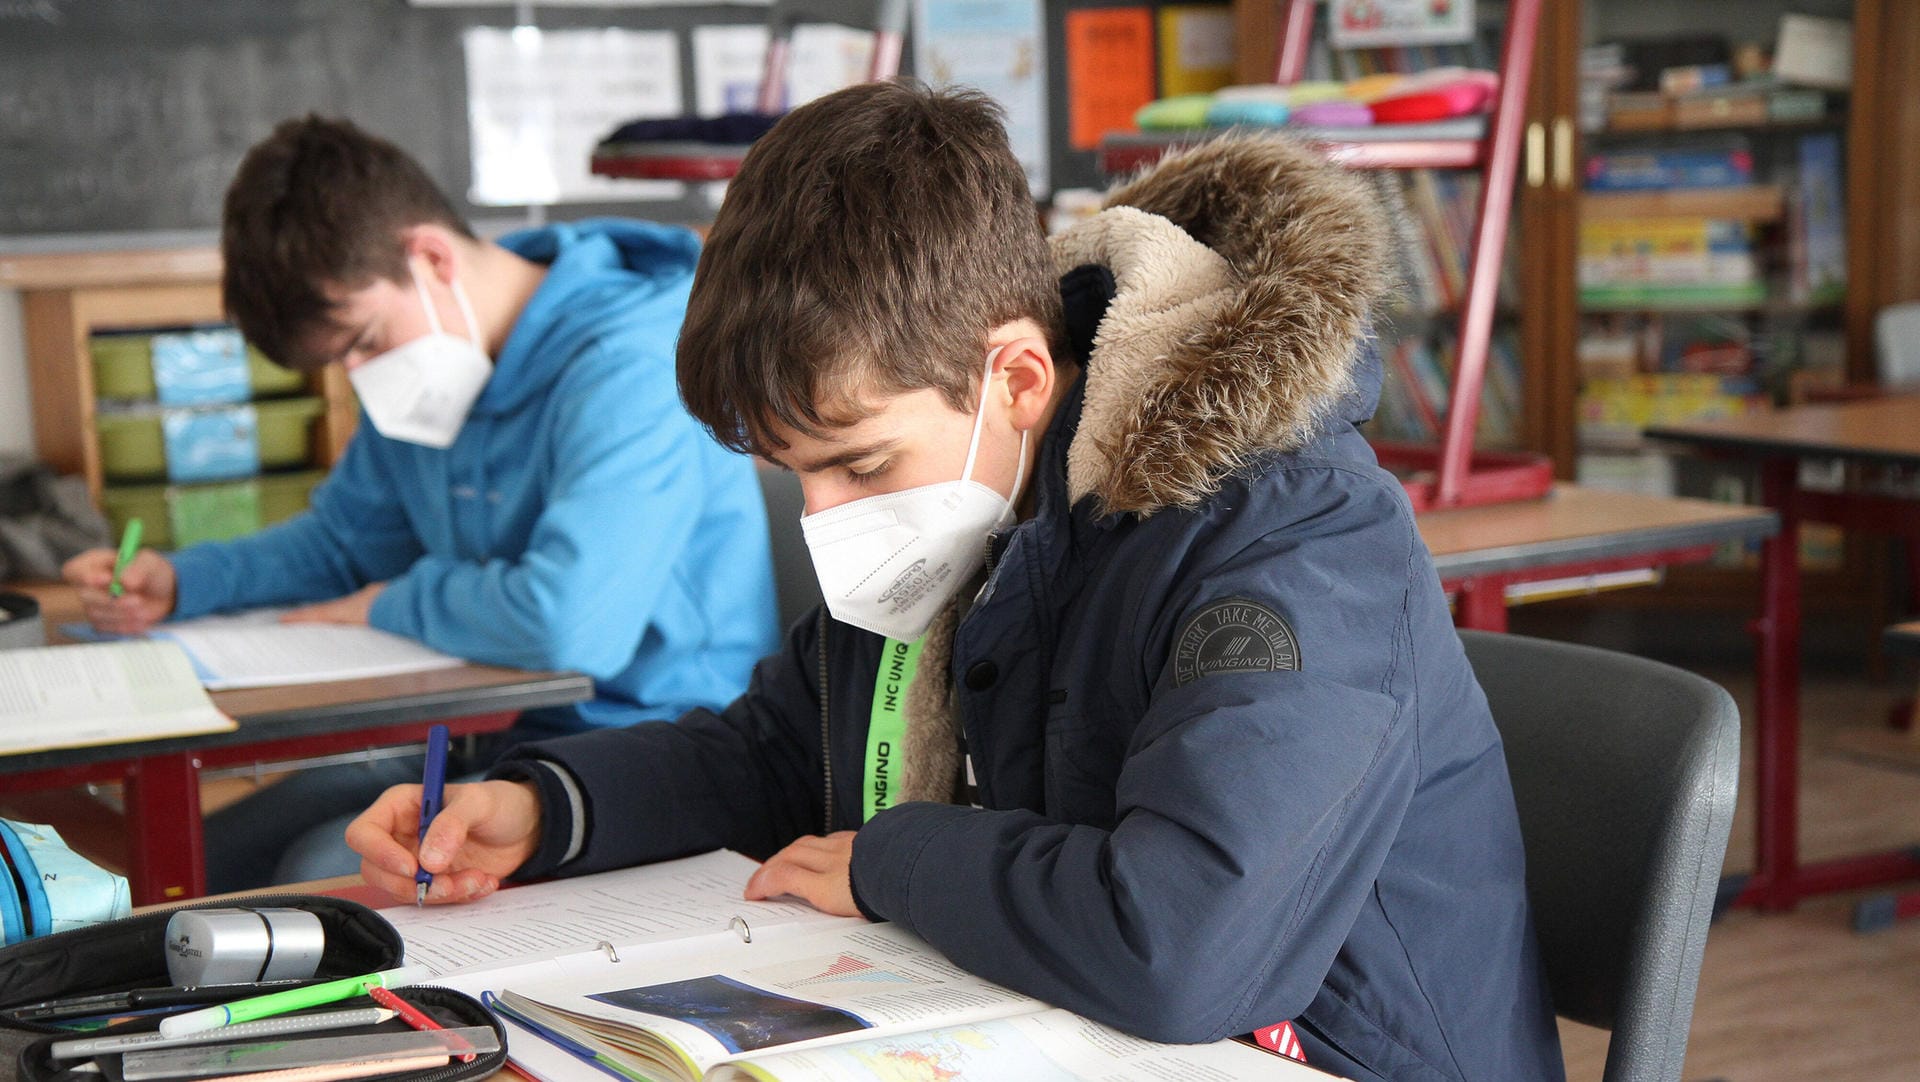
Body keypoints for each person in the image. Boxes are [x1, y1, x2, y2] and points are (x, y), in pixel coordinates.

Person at [345, 83, 1565, 1080]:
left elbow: (1187, 943)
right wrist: (550, 806)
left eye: (855, 462)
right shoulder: (971, 490)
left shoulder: (1288, 536)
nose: (823, 517)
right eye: (792, 476)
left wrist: (893, 861)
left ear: (1018, 379)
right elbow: (778, 751)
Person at [62, 116, 779, 892]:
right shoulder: (436, 367)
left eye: (365, 341)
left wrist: (387, 605)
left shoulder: (632, 361)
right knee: (215, 856)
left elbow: (568, 624)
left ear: (431, 257)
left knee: (322, 876)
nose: (362, 375)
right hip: (493, 735)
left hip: (650, 748)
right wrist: (184, 581)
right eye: (342, 360)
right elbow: (343, 543)